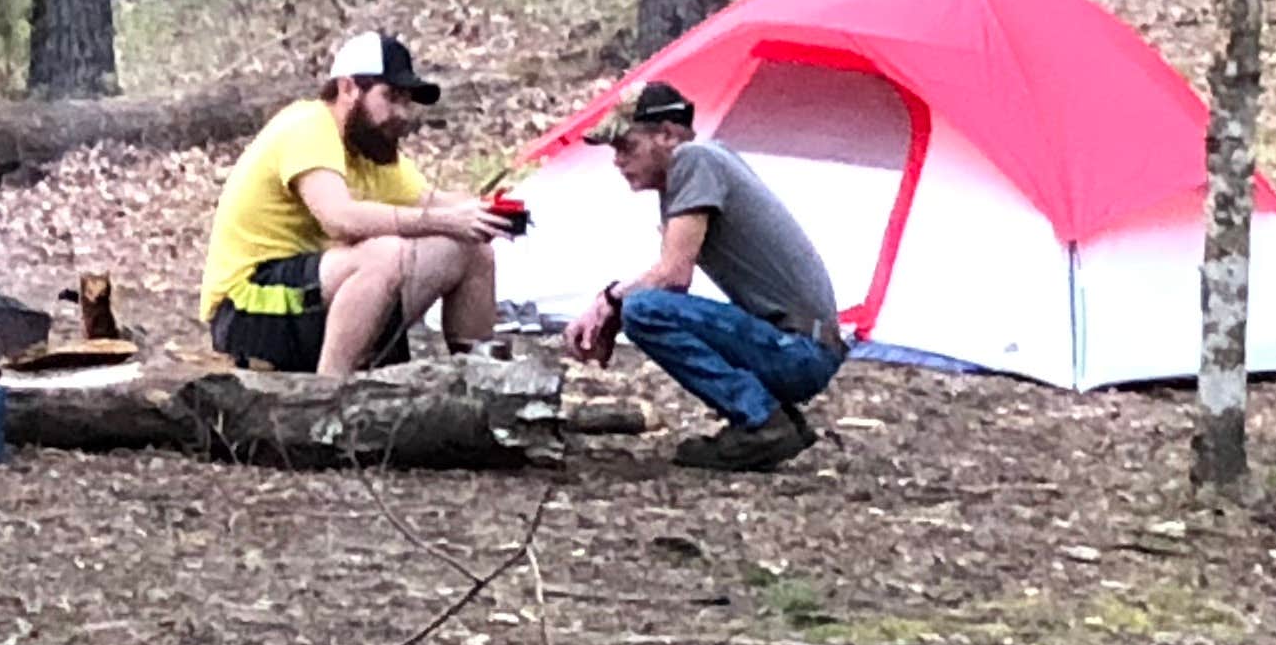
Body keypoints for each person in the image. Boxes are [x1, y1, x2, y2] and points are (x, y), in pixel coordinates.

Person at [562, 80, 850, 472]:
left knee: (646, 310)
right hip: (801, 344)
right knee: (646, 306)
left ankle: (762, 421)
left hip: (798, 350)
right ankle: (772, 416)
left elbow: (673, 276)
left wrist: (609, 300)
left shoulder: (694, 160)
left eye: (626, 146)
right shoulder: (705, 164)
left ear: (666, 135)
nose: (617, 161)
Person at [200, 30, 511, 374]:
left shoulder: (369, 147)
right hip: (250, 310)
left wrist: (490, 211)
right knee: (385, 254)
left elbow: (432, 203)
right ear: (348, 88)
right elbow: (340, 219)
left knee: (470, 247)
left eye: (407, 101)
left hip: (309, 305)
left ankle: (481, 382)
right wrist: (445, 221)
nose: (402, 113)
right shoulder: (308, 126)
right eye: (390, 97)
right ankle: (331, 395)